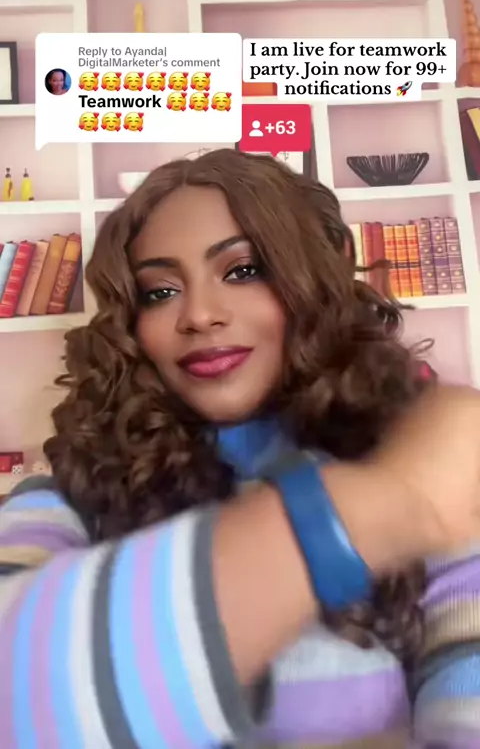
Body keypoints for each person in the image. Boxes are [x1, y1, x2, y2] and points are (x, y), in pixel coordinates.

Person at [1, 148, 480, 749]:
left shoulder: (424, 470)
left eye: (243, 270)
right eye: (159, 292)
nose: (199, 315)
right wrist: (366, 511)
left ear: (317, 276)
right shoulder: (66, 495)